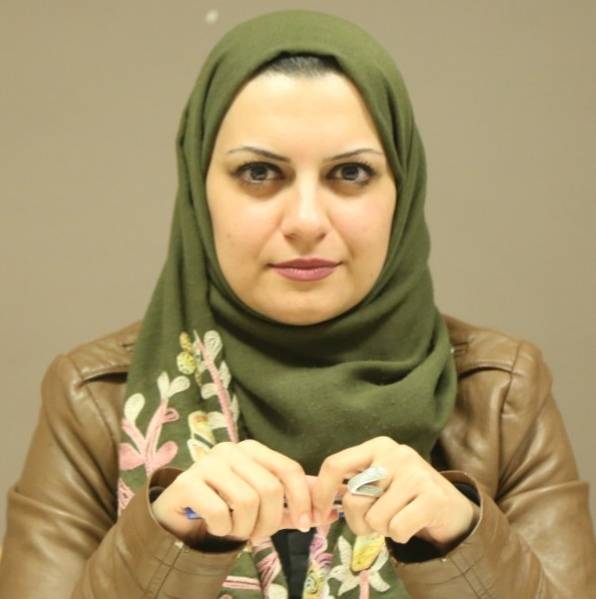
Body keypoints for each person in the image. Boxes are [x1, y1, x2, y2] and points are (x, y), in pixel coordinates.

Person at [0, 8, 595, 598]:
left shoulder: (499, 396)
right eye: (259, 172)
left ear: (403, 187)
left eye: (351, 173)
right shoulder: (96, 400)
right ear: (199, 189)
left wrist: (458, 539)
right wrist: (170, 538)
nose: (307, 221)